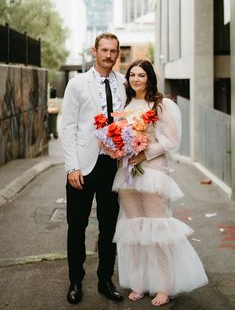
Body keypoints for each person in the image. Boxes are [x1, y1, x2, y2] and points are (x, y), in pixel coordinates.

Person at [112, 59, 208, 306]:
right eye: (132, 75)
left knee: (158, 228)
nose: (135, 79)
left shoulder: (160, 104)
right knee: (135, 228)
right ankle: (141, 282)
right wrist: (118, 148)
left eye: (141, 75)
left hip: (153, 170)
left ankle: (164, 286)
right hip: (126, 172)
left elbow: (171, 141)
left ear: (149, 78)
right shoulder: (124, 104)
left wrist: (144, 153)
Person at [61, 33, 126, 304]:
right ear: (94, 51)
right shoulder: (77, 84)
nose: (109, 55)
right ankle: (75, 280)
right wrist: (72, 166)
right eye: (104, 50)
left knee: (109, 227)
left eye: (113, 51)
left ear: (118, 53)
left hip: (113, 165)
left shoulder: (124, 83)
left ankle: (105, 280)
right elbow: (67, 127)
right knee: (76, 226)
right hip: (84, 167)